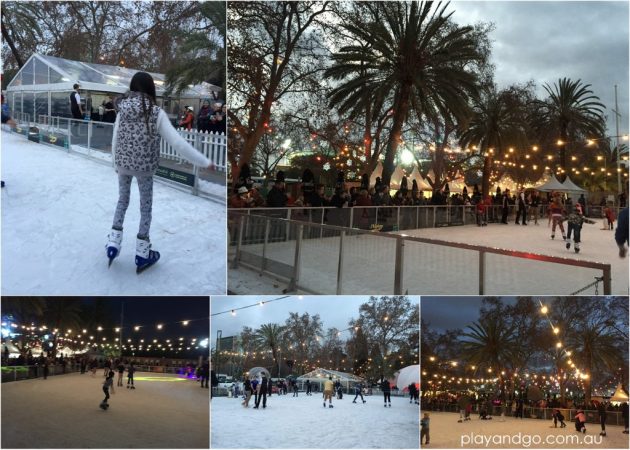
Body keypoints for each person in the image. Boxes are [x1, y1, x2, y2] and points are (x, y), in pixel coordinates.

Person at [105, 72, 213, 273]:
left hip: (123, 164)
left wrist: (115, 162)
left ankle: (113, 243)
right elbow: (177, 143)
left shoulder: (122, 110)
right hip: (145, 168)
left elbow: (115, 136)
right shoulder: (156, 113)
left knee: (123, 200)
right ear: (150, 90)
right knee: (145, 207)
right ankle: (142, 252)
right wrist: (203, 161)